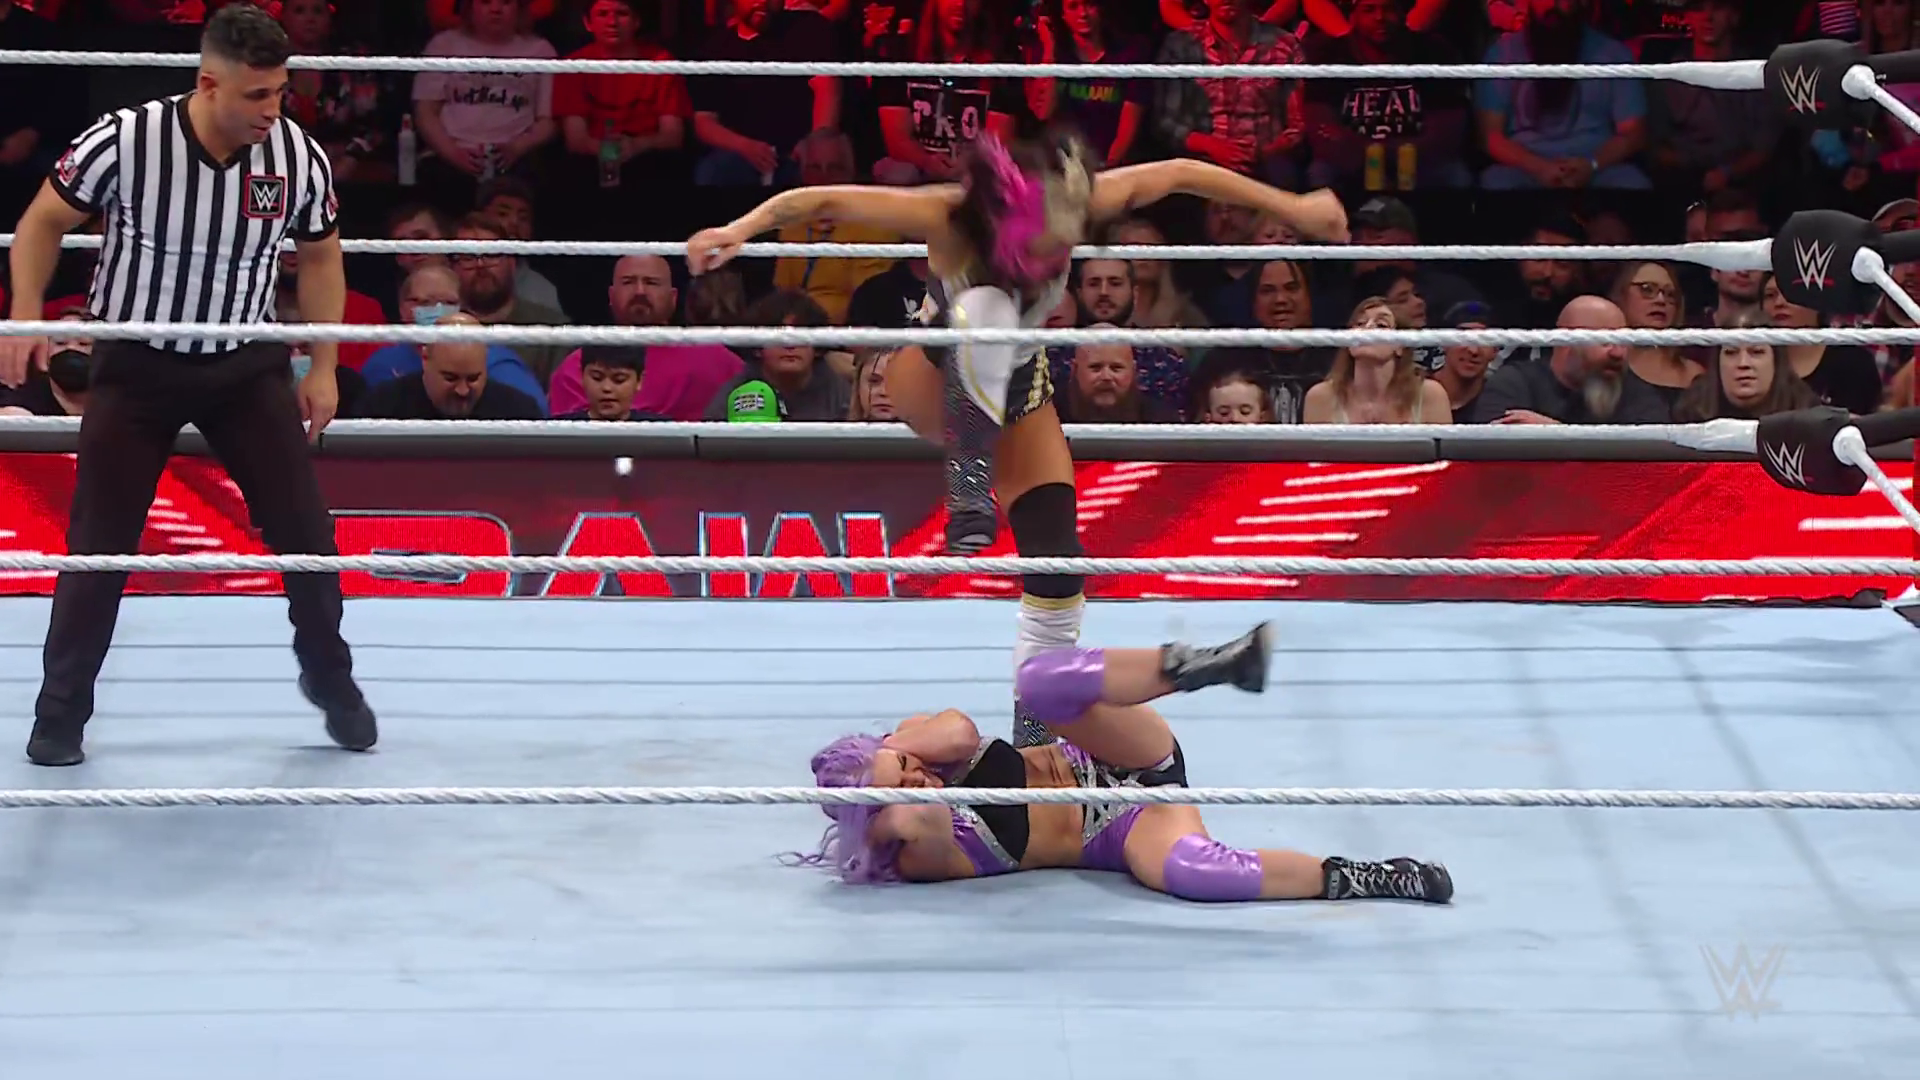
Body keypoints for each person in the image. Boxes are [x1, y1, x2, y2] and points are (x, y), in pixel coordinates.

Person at [687, 130, 1347, 746]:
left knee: (1057, 568)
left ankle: (1037, 740)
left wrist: (1294, 207)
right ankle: (968, 485)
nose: (1060, 250)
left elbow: (1178, 173)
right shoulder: (952, 216)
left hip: (1022, 391)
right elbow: (822, 199)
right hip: (932, 377)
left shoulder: (1079, 202)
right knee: (988, 308)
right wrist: (738, 230)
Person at [0, 5, 377, 766]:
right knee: (99, 545)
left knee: (308, 534)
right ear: (209, 84)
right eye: (257, 95)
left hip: (245, 364)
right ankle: (60, 714)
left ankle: (331, 680)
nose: (272, 110)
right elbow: (42, 221)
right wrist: (26, 314)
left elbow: (322, 255)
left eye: (280, 92)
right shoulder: (127, 138)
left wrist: (323, 364)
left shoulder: (296, 155)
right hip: (137, 363)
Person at [800, 622, 1453, 903]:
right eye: (902, 787)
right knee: (1194, 871)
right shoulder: (916, 852)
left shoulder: (920, 743)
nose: (919, 778)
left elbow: (962, 733)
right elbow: (916, 819)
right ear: (875, 823)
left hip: (1109, 749)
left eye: (905, 766)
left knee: (1039, 685)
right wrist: (881, 798)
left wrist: (896, 752)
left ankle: (1203, 664)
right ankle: (1371, 877)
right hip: (1123, 827)